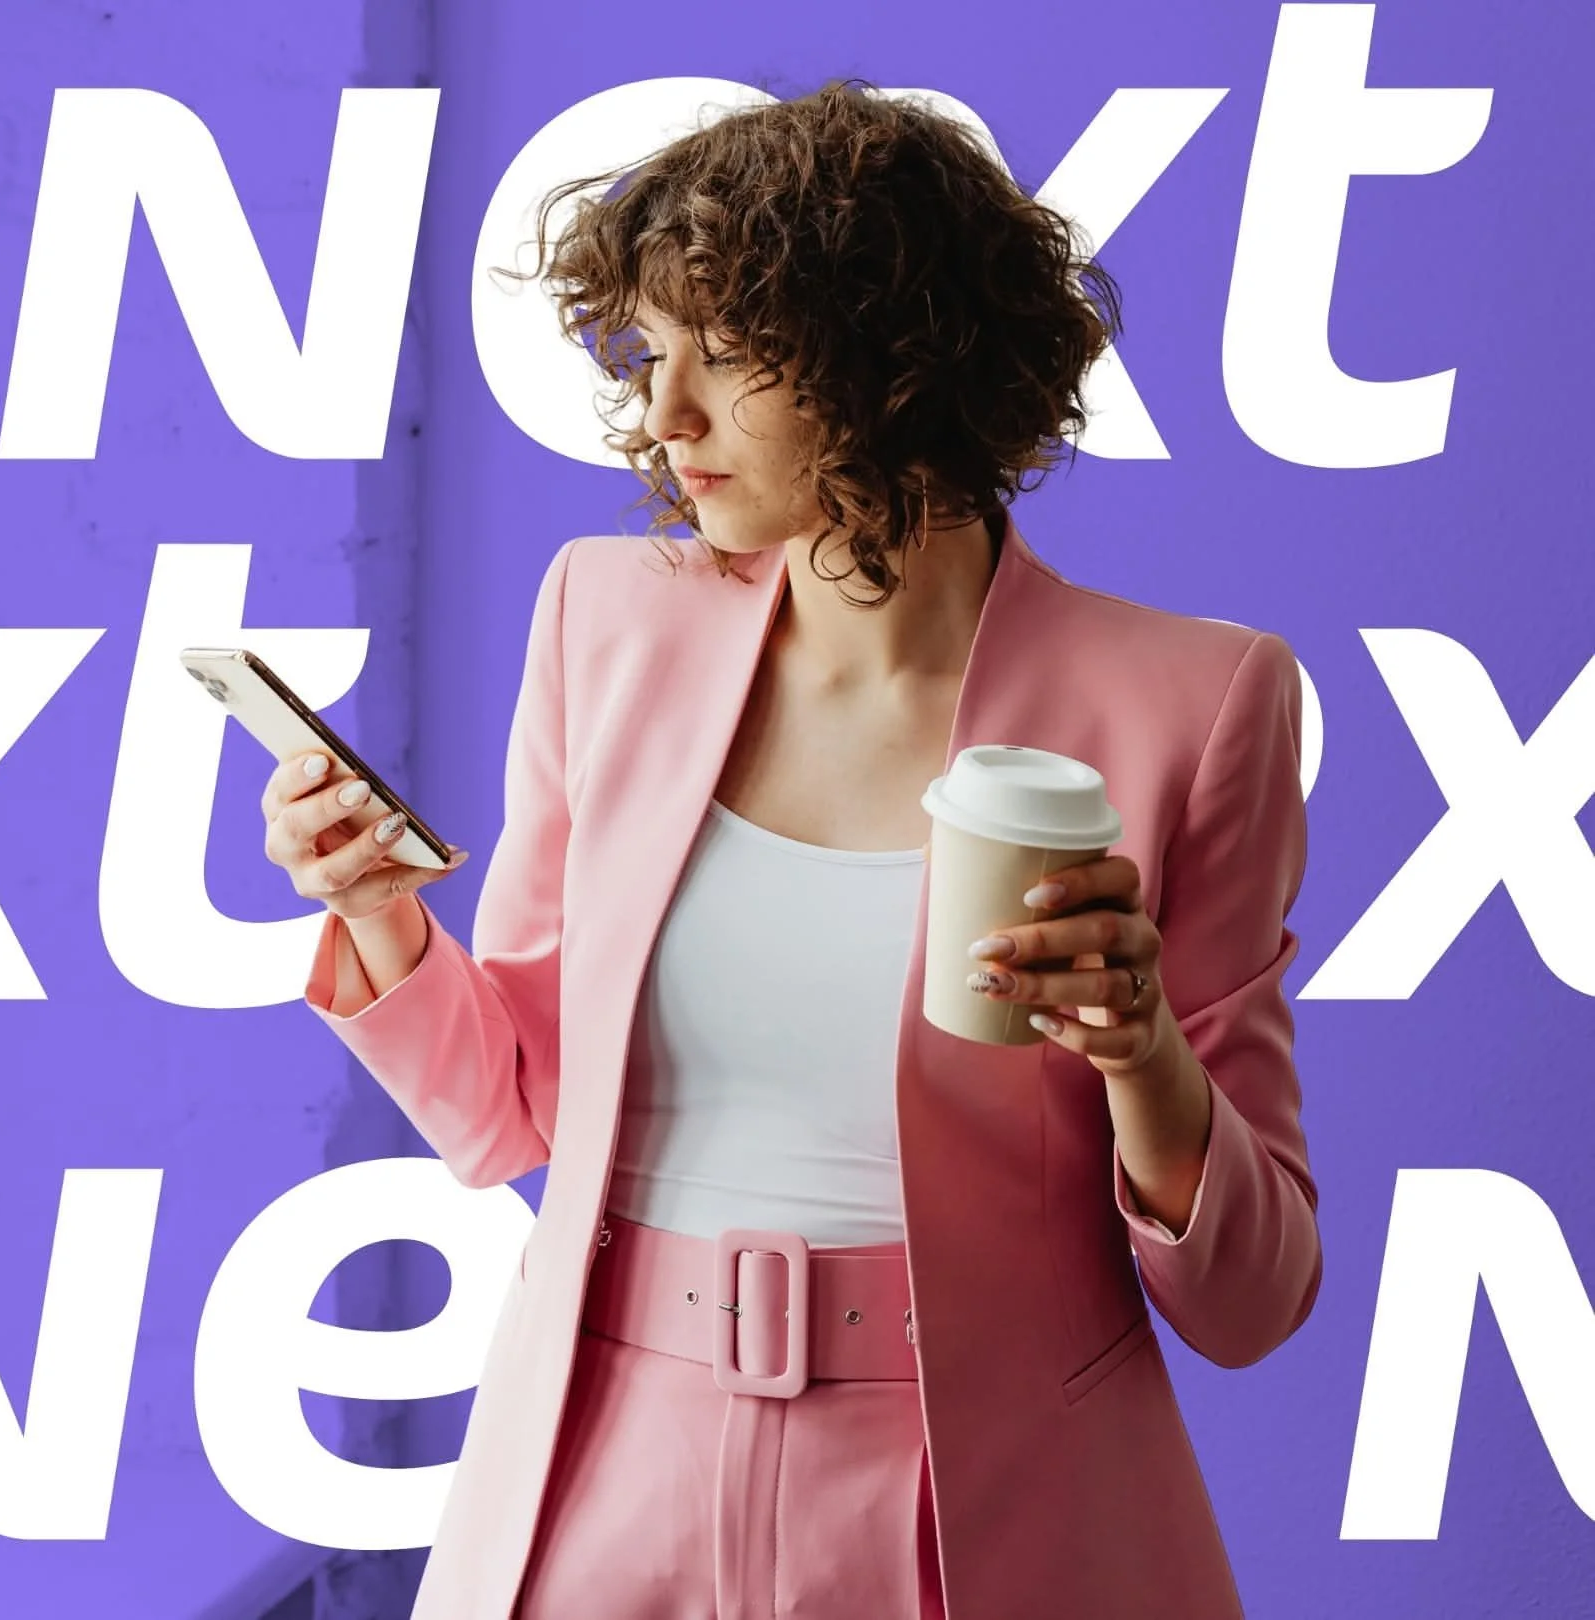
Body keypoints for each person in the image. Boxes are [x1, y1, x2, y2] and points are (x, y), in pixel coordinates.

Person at [263, 79, 1319, 1620]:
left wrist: (1142, 1051)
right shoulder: (604, 620)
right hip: (603, 1464)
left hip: (981, 1502)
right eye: (650, 350)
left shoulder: (1196, 705)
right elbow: (514, 1110)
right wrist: (375, 912)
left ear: (902, 362)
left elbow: (1252, 1295)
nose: (663, 412)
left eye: (729, 353)